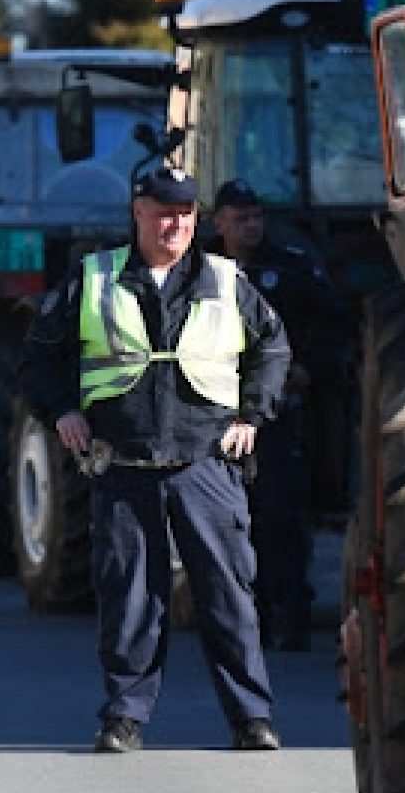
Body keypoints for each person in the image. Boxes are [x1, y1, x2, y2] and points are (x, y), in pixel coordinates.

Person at [19, 165, 291, 754]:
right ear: (138, 213)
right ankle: (124, 718)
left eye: (186, 215)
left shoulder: (224, 278)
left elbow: (272, 346)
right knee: (131, 597)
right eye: (164, 213)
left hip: (205, 463)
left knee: (227, 593)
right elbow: (39, 356)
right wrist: (62, 409)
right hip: (122, 463)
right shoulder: (93, 278)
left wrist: (252, 415)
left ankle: (251, 719)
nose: (175, 225)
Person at [210, 178, 348, 651]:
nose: (250, 227)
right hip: (209, 416)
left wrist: (309, 368)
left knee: (277, 516)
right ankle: (238, 617)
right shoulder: (198, 270)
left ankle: (288, 615)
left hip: (270, 414)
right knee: (221, 518)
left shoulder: (287, 268)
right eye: (240, 219)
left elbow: (334, 323)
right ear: (219, 223)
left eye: (256, 218)